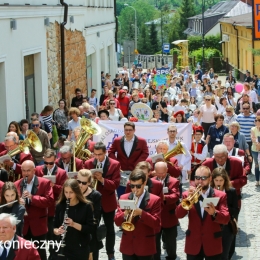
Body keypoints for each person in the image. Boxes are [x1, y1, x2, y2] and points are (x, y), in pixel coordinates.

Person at [175, 165, 230, 259]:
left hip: (212, 243)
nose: (200, 181)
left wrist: (214, 213)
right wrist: (188, 199)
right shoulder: (187, 194)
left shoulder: (220, 195)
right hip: (193, 244)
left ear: (210, 179)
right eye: (197, 178)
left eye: (203, 178)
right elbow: (178, 214)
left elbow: (225, 219)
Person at [114, 169, 161, 260]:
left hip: (145, 246)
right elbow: (117, 222)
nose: (135, 189)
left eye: (138, 186)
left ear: (144, 183)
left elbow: (156, 223)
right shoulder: (124, 198)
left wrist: (141, 213)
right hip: (128, 247)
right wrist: (125, 213)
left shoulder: (155, 200)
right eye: (132, 186)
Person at [85, 142, 120, 260]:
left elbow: (115, 184)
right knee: (93, 229)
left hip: (108, 202)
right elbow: (83, 183)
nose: (97, 157)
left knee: (110, 229)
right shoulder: (88, 163)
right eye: (95, 154)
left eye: (100, 154)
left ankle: (110, 253)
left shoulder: (114, 164)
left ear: (105, 153)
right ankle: (94, 254)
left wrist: (102, 179)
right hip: (93, 203)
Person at [14, 160, 54, 260]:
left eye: (28, 171)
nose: (25, 173)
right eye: (23, 171)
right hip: (23, 225)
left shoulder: (45, 182)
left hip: (38, 225)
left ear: (34, 171)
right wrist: (18, 202)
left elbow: (49, 201)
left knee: (41, 253)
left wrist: (32, 198)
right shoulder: (16, 184)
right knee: (23, 253)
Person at [34, 148, 67, 258]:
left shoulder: (62, 172)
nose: (48, 165)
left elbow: (64, 190)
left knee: (53, 239)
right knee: (40, 241)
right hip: (40, 209)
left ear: (55, 160)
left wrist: (54, 186)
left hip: (54, 210)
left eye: (51, 163)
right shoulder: (38, 169)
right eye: (46, 163)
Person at [54, 179, 94, 259]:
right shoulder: (60, 206)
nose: (68, 195)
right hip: (62, 247)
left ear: (77, 192)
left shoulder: (86, 206)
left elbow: (90, 229)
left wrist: (73, 224)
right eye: (66, 192)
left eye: (71, 192)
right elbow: (54, 226)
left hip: (80, 247)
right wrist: (57, 231)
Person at [202, 144, 247, 210]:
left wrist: (228, 184)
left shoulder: (237, 163)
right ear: (213, 155)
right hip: (212, 198)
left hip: (233, 198)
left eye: (222, 157)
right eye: (217, 157)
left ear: (227, 154)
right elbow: (202, 181)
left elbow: (243, 180)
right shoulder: (206, 164)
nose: (220, 160)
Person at [210, 167, 239, 260]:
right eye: (216, 180)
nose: (218, 183)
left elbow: (235, 210)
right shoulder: (208, 191)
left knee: (225, 254)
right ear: (212, 180)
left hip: (226, 226)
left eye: (221, 180)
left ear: (225, 180)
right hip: (212, 226)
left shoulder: (231, 191)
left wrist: (223, 206)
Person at [153, 162, 180, 260]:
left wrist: (163, 198)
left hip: (169, 217)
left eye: (163, 173)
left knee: (171, 243)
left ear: (167, 171)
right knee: (155, 242)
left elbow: (176, 196)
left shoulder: (174, 181)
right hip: (155, 217)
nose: (160, 175)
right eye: (158, 173)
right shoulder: (150, 181)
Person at [77, 169, 103, 260]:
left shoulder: (96, 195)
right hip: (74, 234)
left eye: (84, 183)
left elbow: (96, 218)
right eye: (78, 182)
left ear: (89, 183)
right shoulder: (72, 192)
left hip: (90, 234)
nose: (80, 185)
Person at [250, 116, 260, 185]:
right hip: (254, 149)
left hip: (258, 147)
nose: (255, 122)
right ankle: (257, 180)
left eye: (257, 120)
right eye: (255, 120)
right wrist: (257, 144)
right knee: (256, 165)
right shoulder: (253, 129)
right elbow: (252, 138)